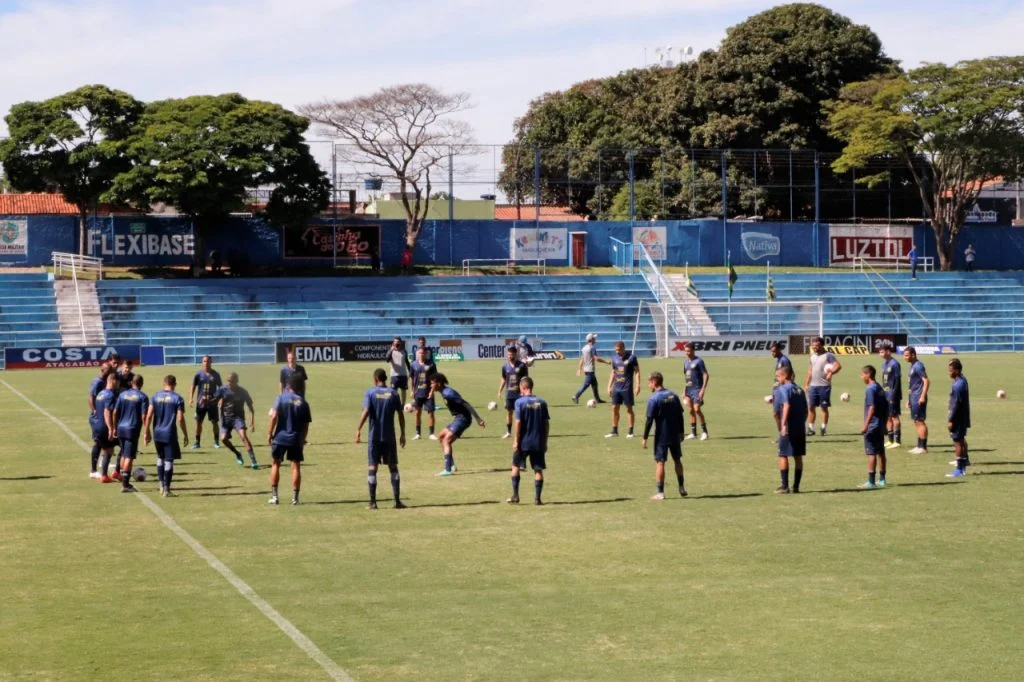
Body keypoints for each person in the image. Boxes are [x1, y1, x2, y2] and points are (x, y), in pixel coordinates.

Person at [355, 369, 406, 510]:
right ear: (385, 378)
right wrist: (402, 433)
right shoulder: (394, 393)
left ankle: (373, 502)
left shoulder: (370, 393)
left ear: (376, 379)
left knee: (372, 468)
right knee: (393, 467)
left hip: (375, 437)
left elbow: (366, 412)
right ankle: (397, 501)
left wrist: (358, 429)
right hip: (389, 437)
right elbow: (400, 415)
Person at [267, 374, 312, 506]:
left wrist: (270, 433)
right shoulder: (303, 402)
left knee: (276, 464)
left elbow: (274, 416)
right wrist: (302, 439)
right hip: (296, 438)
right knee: (295, 467)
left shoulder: (281, 398)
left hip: (280, 437)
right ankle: (295, 499)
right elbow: (306, 425)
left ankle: (275, 497)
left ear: (289, 385)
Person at [642, 372, 686, 501]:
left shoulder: (654, 399)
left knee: (660, 463)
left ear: (654, 383)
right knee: (677, 460)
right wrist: (681, 432)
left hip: (662, 436)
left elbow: (649, 420)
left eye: (649, 382)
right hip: (674, 434)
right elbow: (680, 415)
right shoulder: (673, 395)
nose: (648, 385)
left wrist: (644, 437)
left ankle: (660, 493)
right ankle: (682, 487)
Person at [431, 373, 486, 476]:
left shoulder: (449, 393)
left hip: (463, 419)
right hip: (458, 418)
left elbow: (466, 404)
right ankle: (452, 465)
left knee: (446, 440)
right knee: (441, 436)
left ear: (438, 383)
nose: (431, 385)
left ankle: (447, 470)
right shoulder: (443, 392)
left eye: (432, 383)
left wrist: (478, 419)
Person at [144, 375, 189, 497]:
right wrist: (185, 434)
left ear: (164, 383)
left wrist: (146, 431)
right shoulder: (178, 398)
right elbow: (180, 419)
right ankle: (167, 489)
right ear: (174, 384)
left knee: (160, 457)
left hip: (157, 433)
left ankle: (161, 484)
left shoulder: (155, 396)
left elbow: (148, 416)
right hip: (169, 433)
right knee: (169, 460)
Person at [509, 376, 550, 505]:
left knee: (515, 466)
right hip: (538, 442)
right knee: (538, 469)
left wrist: (516, 440)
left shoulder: (519, 402)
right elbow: (546, 424)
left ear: (523, 387)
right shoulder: (542, 402)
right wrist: (545, 441)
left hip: (523, 442)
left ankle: (515, 496)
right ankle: (538, 498)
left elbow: (519, 422)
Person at [110, 374, 149, 493]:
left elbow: (115, 412)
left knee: (123, 454)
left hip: (121, 428)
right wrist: (147, 432)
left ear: (132, 383)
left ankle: (123, 477)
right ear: (141, 384)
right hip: (132, 429)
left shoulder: (122, 394)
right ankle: (126, 484)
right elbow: (143, 416)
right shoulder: (143, 397)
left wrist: (114, 427)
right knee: (129, 457)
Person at [772, 365, 808, 494]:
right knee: (798, 457)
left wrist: (782, 425)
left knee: (783, 455)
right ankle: (796, 486)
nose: (777, 378)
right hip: (800, 428)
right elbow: (806, 411)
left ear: (785, 376)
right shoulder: (800, 390)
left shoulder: (782, 390)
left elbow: (781, 409)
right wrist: (801, 423)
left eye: (778, 376)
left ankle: (784, 486)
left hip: (787, 429)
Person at [215, 372, 257, 469]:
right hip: (226, 418)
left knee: (244, 437)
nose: (229, 383)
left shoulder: (243, 392)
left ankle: (253, 460)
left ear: (236, 381)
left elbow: (250, 408)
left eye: (231, 381)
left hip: (238, 418)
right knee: (223, 439)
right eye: (228, 381)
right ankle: (237, 453)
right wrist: (213, 400)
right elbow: (214, 399)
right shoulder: (222, 389)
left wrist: (252, 423)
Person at [858, 365, 889, 489]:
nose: (861, 377)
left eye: (862, 374)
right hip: (880, 424)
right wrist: (885, 423)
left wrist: (865, 425)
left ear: (868, 375)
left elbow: (872, 407)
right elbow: (886, 406)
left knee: (871, 453)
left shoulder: (870, 389)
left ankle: (871, 482)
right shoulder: (879, 387)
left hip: (872, 426)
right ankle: (882, 479)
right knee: (881, 452)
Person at [804, 337, 841, 436]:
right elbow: (810, 371)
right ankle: (811, 428)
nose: (815, 347)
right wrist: (807, 384)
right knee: (811, 407)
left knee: (823, 408)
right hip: (813, 386)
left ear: (822, 345)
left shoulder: (828, 356)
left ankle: (823, 427)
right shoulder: (812, 356)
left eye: (817, 345)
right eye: (813, 345)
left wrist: (831, 373)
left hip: (824, 386)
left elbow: (838, 366)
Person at [606, 341, 640, 438]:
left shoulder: (632, 358)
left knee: (629, 409)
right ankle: (614, 431)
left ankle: (630, 431)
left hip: (627, 388)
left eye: (619, 349)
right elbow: (613, 372)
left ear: (623, 348)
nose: (617, 352)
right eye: (616, 350)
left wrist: (638, 385)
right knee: (614, 408)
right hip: (617, 388)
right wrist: (609, 386)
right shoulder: (614, 358)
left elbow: (637, 371)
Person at [189, 355, 222, 449]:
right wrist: (190, 398)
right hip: (201, 404)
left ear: (211, 362)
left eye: (208, 361)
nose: (206, 363)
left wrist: (220, 399)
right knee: (198, 423)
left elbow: (221, 388)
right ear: (202, 362)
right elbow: (193, 386)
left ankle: (216, 441)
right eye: (204, 361)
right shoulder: (198, 374)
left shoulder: (216, 374)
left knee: (214, 422)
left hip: (212, 403)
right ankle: (197, 442)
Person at [91, 371, 119, 482]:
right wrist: (111, 428)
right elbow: (107, 412)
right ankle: (105, 475)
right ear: (113, 381)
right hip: (104, 426)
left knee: (104, 448)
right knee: (110, 450)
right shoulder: (110, 395)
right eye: (117, 382)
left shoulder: (101, 393)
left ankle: (102, 473)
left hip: (97, 425)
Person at [946, 359, 972, 478]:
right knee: (960, 441)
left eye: (950, 370)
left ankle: (960, 469)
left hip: (958, 418)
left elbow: (956, 403)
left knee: (957, 442)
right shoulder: (962, 380)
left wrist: (951, 419)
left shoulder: (958, 385)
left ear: (956, 370)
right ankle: (962, 463)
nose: (948, 372)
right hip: (962, 416)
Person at [497, 346, 529, 439]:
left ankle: (523, 431)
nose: (510, 356)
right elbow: (503, 378)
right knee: (509, 412)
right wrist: (500, 390)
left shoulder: (522, 366)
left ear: (516, 354)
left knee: (521, 413)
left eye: (512, 354)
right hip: (509, 394)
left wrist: (525, 391)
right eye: (509, 354)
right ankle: (508, 432)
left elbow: (525, 380)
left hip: (520, 394)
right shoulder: (505, 367)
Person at [903, 346, 931, 454]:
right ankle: (919, 445)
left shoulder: (918, 366)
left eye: (906, 355)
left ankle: (923, 447)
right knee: (916, 421)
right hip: (914, 397)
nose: (904, 357)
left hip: (918, 398)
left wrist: (923, 396)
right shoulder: (913, 366)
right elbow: (913, 385)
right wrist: (909, 399)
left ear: (913, 355)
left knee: (920, 421)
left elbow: (926, 381)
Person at [682, 342, 711, 441]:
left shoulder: (699, 361)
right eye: (686, 351)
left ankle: (705, 432)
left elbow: (706, 375)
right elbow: (686, 377)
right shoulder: (685, 363)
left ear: (693, 350)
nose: (687, 353)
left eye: (689, 351)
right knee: (690, 410)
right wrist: (683, 390)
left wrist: (703, 389)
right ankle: (693, 433)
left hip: (697, 390)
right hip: (688, 390)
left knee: (697, 409)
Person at [572, 332, 609, 405]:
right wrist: (606, 362)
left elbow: (582, 359)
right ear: (591, 339)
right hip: (590, 369)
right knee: (586, 385)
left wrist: (579, 369)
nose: (595, 339)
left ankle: (597, 399)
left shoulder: (584, 348)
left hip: (586, 369)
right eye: (594, 338)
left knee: (595, 384)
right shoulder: (592, 348)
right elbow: (596, 358)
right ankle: (576, 396)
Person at [410, 347, 438, 440]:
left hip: (428, 393)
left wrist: (432, 391)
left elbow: (435, 379)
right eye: (420, 353)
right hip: (418, 393)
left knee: (431, 413)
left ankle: (431, 434)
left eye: (423, 353)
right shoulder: (413, 365)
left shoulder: (431, 364)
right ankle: (418, 433)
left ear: (426, 354)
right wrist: (411, 390)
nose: (421, 354)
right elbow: (411, 378)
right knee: (417, 413)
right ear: (417, 354)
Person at [879, 341, 903, 449]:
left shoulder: (895, 364)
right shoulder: (884, 364)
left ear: (888, 351)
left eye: (882, 352)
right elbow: (885, 380)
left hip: (893, 395)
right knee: (888, 417)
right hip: (886, 394)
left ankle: (897, 441)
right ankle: (890, 440)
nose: (881, 354)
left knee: (894, 416)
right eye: (879, 352)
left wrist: (894, 394)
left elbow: (897, 380)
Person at [388, 337, 412, 405]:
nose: (397, 343)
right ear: (393, 343)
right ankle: (393, 404)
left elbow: (407, 362)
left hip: (403, 374)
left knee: (403, 390)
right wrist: (391, 350)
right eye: (395, 342)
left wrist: (410, 372)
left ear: (400, 343)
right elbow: (387, 359)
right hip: (394, 375)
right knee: (393, 391)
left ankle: (403, 404)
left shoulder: (404, 351)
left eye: (398, 342)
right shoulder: (391, 351)